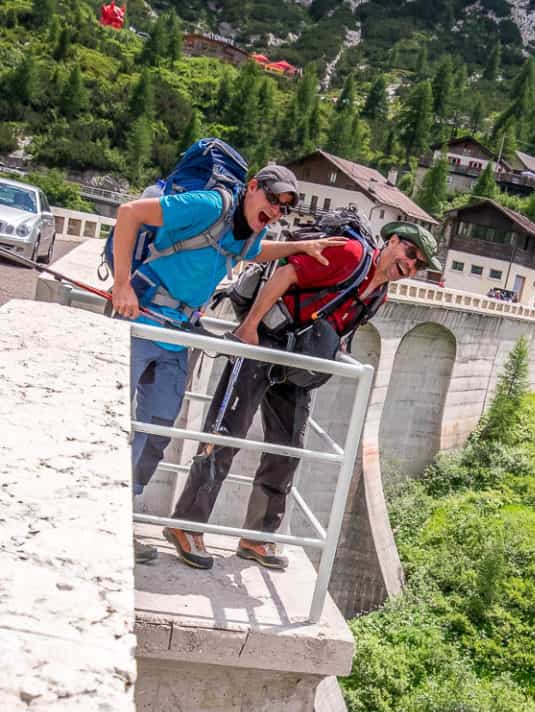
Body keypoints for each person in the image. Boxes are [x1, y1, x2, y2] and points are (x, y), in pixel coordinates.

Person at [164, 219, 441, 572]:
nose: (411, 265)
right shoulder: (352, 254)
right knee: (225, 435)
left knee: (288, 447)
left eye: (419, 265)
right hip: (263, 341)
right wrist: (248, 328)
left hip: (296, 364)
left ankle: (257, 538)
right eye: (410, 253)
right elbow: (287, 275)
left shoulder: (380, 291)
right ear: (394, 241)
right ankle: (186, 525)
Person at [111, 163, 345, 562]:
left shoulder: (247, 232)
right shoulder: (210, 204)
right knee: (115, 425)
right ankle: (108, 523)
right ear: (252, 187)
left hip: (178, 335)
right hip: (140, 318)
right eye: (272, 199)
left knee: (155, 433)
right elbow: (130, 213)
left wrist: (299, 247)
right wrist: (120, 286)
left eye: (283, 209)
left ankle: (117, 523)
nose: (275, 211)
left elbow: (257, 253)